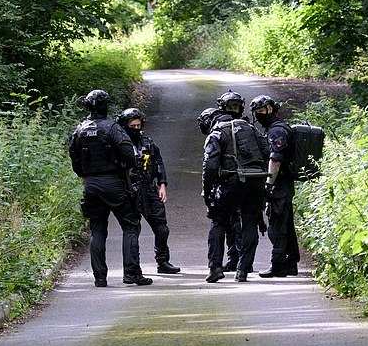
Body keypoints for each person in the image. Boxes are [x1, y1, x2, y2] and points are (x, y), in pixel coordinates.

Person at [68, 90, 152, 287]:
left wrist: (88, 175)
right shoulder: (112, 127)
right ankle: (131, 274)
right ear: (105, 106)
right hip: (114, 182)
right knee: (130, 225)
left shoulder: (79, 130)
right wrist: (122, 167)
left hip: (90, 184)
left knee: (97, 229)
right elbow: (129, 154)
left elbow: (74, 159)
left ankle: (100, 278)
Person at [198, 91, 269, 283]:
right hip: (256, 180)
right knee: (250, 222)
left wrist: (207, 191)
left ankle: (215, 268)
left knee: (218, 221)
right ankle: (243, 270)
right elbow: (266, 151)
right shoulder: (251, 128)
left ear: (221, 107)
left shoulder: (217, 131)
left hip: (231, 181)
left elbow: (210, 165)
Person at [116, 108, 181, 274]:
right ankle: (133, 267)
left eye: (139, 125)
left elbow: (158, 162)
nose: (136, 128)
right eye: (133, 125)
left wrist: (163, 184)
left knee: (162, 228)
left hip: (149, 189)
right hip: (130, 190)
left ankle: (163, 261)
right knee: (132, 230)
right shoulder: (119, 143)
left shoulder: (147, 141)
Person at [250, 95, 300, 278]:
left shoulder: (276, 131)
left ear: (271, 109)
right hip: (283, 185)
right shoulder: (276, 128)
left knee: (277, 226)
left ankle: (278, 265)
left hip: (279, 185)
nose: (259, 115)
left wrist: (268, 183)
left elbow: (275, 159)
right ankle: (291, 263)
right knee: (285, 224)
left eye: (261, 111)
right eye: (257, 113)